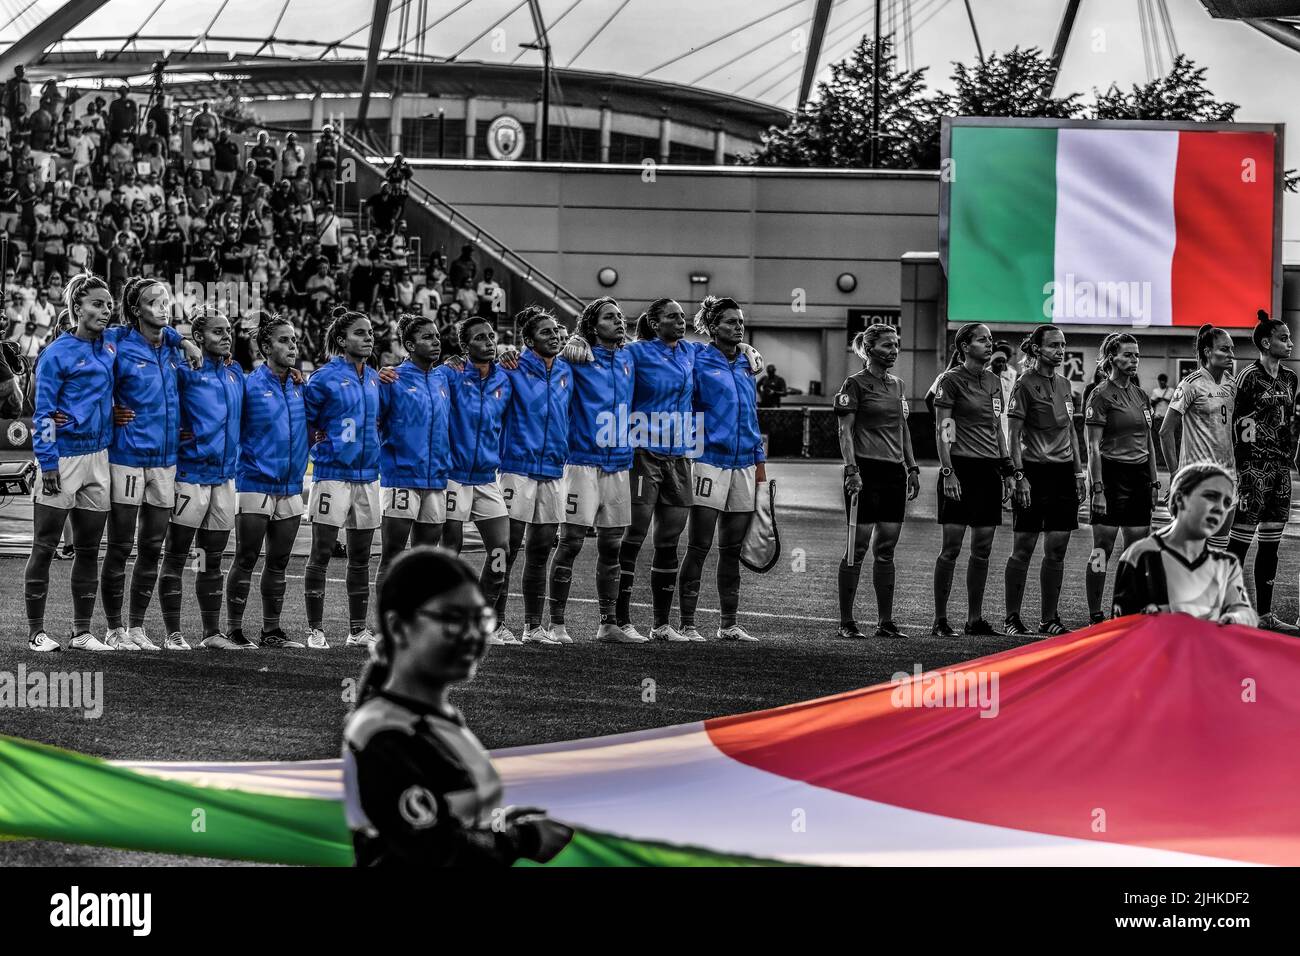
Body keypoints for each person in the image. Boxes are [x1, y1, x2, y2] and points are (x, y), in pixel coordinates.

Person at [343, 547, 573, 867]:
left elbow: (443, 816)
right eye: (452, 619)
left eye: (480, 619)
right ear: (398, 628)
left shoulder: (432, 716)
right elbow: (431, 848)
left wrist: (494, 825)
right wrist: (522, 839)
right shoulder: (383, 732)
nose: (471, 635)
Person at [98, 277, 199, 651]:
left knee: (153, 545)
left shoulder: (173, 349)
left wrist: (182, 339)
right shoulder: (117, 341)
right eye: (153, 301)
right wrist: (106, 410)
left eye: (166, 299)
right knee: (122, 545)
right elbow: (89, 371)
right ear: (135, 309)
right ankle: (113, 628)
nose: (162, 305)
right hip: (126, 457)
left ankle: (138, 627)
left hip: (165, 461)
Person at [26, 274, 117, 652]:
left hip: (100, 457)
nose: (105, 311)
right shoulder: (56, 353)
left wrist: (118, 413)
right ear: (77, 308)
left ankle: (82, 633)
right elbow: (43, 411)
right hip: (62, 459)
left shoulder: (111, 347)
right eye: (97, 304)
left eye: (109, 305)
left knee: (89, 549)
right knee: (45, 545)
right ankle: (36, 633)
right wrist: (47, 463)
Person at [678, 296, 767, 642]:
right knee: (699, 546)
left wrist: (759, 461)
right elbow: (658, 345)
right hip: (708, 461)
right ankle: (687, 624)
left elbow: (751, 414)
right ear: (713, 327)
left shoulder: (747, 362)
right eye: (730, 322)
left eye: (740, 322)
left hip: (745, 460)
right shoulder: (696, 356)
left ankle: (728, 623)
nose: (738, 326)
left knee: (732, 549)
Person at [157, 307, 246, 650]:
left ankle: (211, 633)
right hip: (190, 478)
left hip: (224, 480)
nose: (227, 337)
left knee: (211, 558)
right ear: (198, 338)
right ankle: (173, 633)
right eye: (218, 331)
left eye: (229, 331)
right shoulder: (183, 373)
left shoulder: (236, 373)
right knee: (176, 556)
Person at [551, 297, 638, 643]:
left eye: (619, 316)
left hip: (619, 464)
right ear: (591, 325)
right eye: (608, 317)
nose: (618, 321)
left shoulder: (630, 356)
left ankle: (608, 624)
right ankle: (556, 625)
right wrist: (568, 343)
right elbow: (550, 364)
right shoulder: (576, 357)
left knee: (612, 546)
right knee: (570, 542)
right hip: (581, 463)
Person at [225, 313, 309, 648]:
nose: (292, 346)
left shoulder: (302, 386)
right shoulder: (248, 385)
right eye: (284, 340)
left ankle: (271, 631)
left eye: (294, 340)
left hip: (290, 485)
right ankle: (234, 630)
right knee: (246, 558)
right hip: (254, 482)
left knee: (279, 562)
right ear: (265, 347)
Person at [303, 308, 385, 650]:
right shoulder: (322, 378)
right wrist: (317, 446)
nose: (369, 338)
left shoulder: (376, 378)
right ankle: (316, 631)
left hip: (368, 477)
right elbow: (304, 422)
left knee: (361, 557)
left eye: (370, 333)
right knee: (321, 553)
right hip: (333, 476)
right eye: (360, 333)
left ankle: (357, 630)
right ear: (341, 340)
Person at [833, 324, 920, 640]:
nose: (894, 350)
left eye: (896, 344)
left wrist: (912, 468)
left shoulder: (897, 385)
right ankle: (847, 622)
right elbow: (844, 432)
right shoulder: (854, 385)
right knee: (856, 547)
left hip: (893, 473)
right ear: (869, 350)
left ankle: (885, 622)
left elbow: (903, 430)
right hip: (865, 472)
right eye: (887, 345)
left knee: (886, 549)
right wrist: (852, 470)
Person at [493, 308, 571, 645]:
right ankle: (493, 623)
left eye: (555, 330)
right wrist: (501, 354)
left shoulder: (568, 369)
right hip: (517, 468)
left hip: (552, 470)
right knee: (506, 550)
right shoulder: (512, 369)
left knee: (539, 551)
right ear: (527, 340)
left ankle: (533, 626)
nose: (553, 335)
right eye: (544, 332)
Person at [1003, 325, 1087, 637]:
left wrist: (1078, 473)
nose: (1060, 350)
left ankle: (1049, 618)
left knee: (1057, 549)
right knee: (1023, 547)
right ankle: (1012, 618)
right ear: (1037, 349)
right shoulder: (1023, 383)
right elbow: (1012, 435)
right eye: (1053, 345)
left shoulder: (1066, 384)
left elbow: (1071, 434)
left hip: (1063, 474)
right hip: (1033, 473)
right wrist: (1019, 476)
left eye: (1062, 345)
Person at [931, 322, 1012, 637]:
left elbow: (997, 429)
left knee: (982, 548)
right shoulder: (950, 381)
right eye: (982, 340)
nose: (989, 344)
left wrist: (1006, 470)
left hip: (988, 470)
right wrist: (948, 471)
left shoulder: (994, 381)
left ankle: (974, 620)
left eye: (990, 340)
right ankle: (940, 620)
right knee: (951, 547)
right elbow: (943, 429)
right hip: (960, 468)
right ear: (964, 346)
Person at [438, 315, 514, 644]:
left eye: (491, 336)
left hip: (486, 477)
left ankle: (484, 623)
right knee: (449, 552)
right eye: (480, 338)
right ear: (465, 346)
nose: (488, 342)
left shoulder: (505, 379)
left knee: (501, 550)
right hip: (453, 476)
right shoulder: (452, 375)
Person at [1225, 311, 1299, 633]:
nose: (1290, 343)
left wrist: (1288, 460)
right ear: (1267, 343)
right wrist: (1243, 474)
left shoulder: (1291, 378)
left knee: (1271, 545)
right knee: (1238, 544)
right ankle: (1226, 612)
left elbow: (1289, 425)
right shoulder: (1248, 377)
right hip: (1253, 471)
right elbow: (1237, 428)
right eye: (1284, 338)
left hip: (1280, 471)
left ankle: (1265, 615)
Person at [1113, 462, 1256, 627]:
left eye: (1226, 502)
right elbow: (1120, 631)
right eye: (1211, 496)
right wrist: (1147, 617)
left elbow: (1244, 612)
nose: (1219, 508)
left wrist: (1236, 617)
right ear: (1180, 498)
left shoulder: (1226, 565)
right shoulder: (1140, 557)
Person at [375, 314, 453, 607]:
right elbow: (374, 421)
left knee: (426, 559)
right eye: (427, 337)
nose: (436, 342)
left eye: (436, 336)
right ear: (409, 344)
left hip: (435, 480)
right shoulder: (392, 378)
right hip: (401, 476)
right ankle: (387, 623)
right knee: (393, 557)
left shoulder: (442, 377)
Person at [1083, 332, 1159, 625]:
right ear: (1111, 357)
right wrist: (1098, 490)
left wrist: (1153, 483)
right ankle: (1095, 615)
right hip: (1112, 476)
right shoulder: (1100, 395)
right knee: (1102, 549)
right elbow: (1092, 447)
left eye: (1137, 355)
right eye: (1128, 355)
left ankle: (1125, 611)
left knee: (1137, 551)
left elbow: (1149, 442)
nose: (1134, 360)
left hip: (1139, 476)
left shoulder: (1141, 395)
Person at [1160, 324, 1237, 551]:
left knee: (1218, 553)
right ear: (1207, 352)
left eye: (1231, 349)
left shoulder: (1232, 385)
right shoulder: (1191, 384)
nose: (1231, 355)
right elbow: (1165, 431)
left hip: (1227, 477)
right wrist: (1176, 475)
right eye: (1224, 349)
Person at [1149, 372, 1175, 465]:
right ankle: (1159, 459)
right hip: (1158, 417)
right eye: (1160, 382)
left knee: (1166, 439)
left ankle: (1166, 460)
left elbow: (1175, 403)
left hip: (1167, 417)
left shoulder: (1171, 391)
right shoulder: (1155, 391)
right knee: (1157, 439)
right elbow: (1151, 404)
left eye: (1163, 382)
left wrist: (1166, 400)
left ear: (1166, 382)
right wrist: (1157, 400)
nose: (1161, 383)